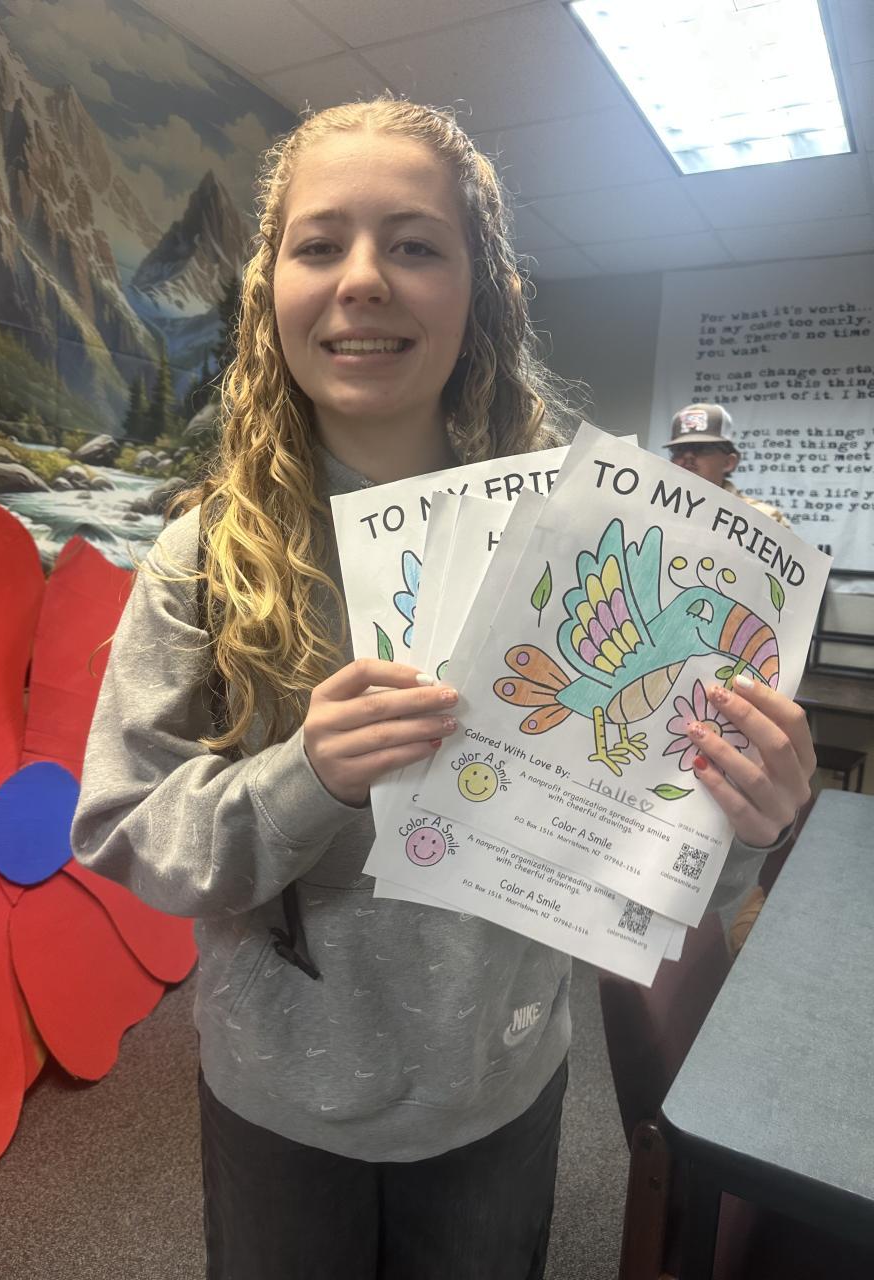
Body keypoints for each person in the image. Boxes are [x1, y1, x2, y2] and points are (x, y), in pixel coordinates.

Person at [71, 99, 815, 1280]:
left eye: (415, 243)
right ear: (270, 288)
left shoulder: (591, 549)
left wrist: (739, 821)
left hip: (498, 1087)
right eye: (321, 243)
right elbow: (124, 828)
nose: (364, 277)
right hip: (279, 1093)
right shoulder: (206, 557)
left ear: (484, 294)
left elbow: (644, 866)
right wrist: (306, 776)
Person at [663, 402, 791, 526]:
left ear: (728, 463)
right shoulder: (655, 508)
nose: (687, 456)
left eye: (700, 448)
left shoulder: (765, 521)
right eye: (678, 450)